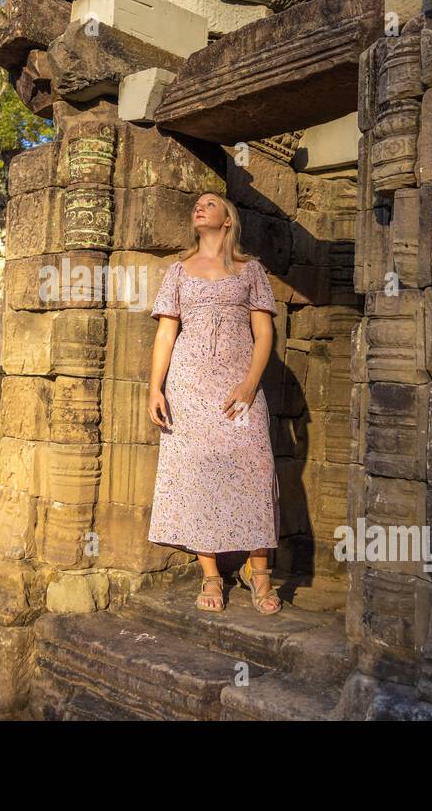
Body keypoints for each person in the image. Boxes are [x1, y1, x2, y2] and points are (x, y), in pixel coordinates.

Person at [146, 191, 281, 614]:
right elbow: (166, 334)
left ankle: (259, 572)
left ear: (227, 220)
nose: (199, 207)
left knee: (255, 467)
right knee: (199, 473)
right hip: (188, 387)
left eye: (210, 203)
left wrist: (250, 384)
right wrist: (155, 388)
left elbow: (265, 335)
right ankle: (211, 575)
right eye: (197, 204)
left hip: (238, 386)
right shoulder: (178, 272)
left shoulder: (250, 270)